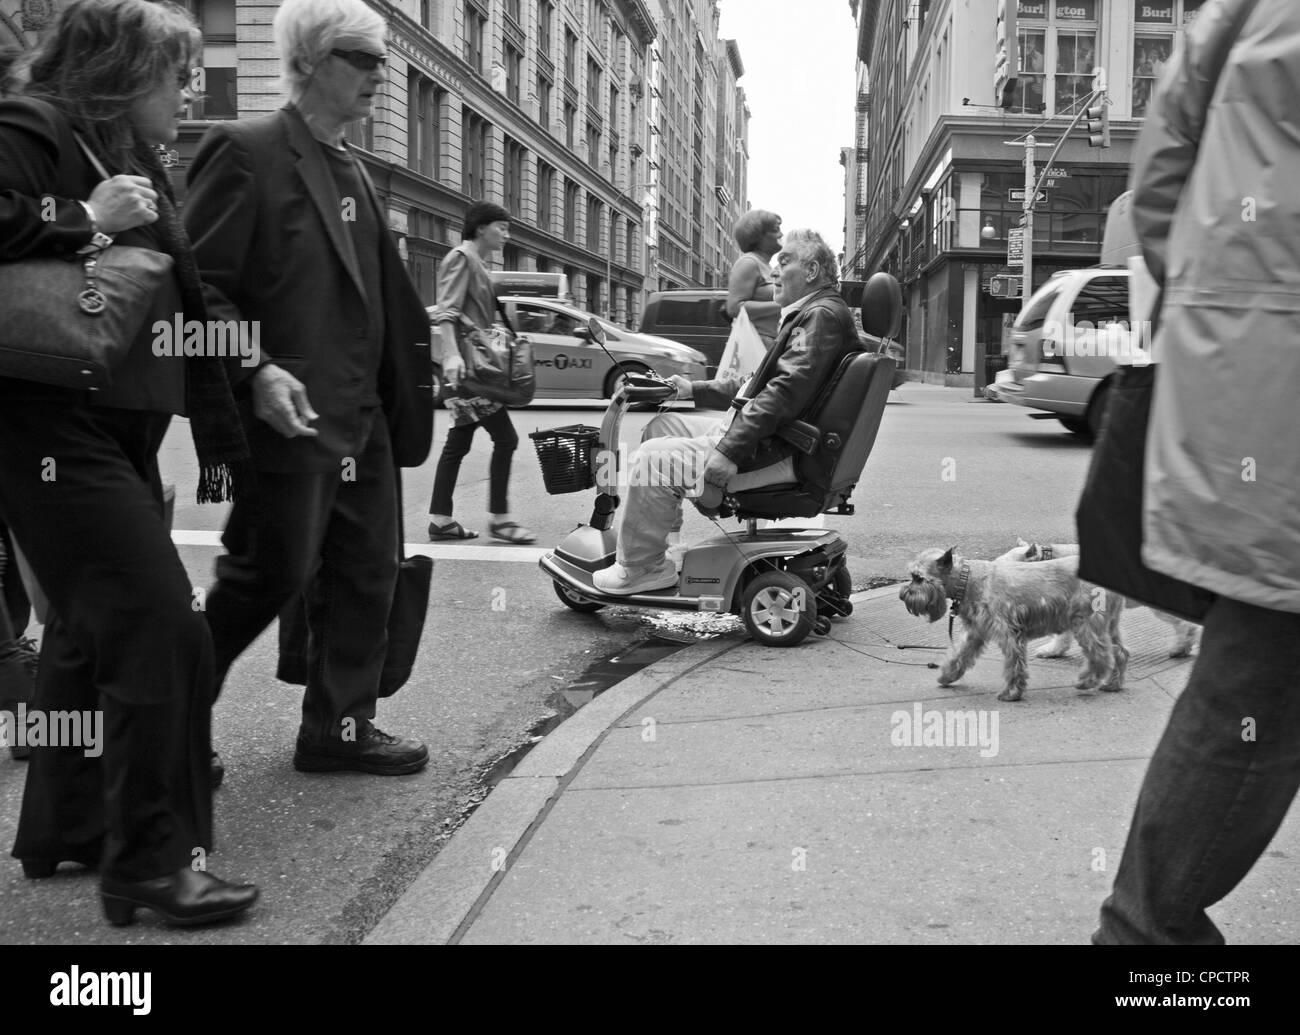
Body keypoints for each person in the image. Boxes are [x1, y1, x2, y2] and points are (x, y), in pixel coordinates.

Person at [0, 0, 257, 926]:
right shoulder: (37, 126)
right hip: (45, 425)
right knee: (162, 626)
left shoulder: (136, 158)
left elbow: (179, 292)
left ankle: (66, 825)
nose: (188, 90)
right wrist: (81, 216)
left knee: (85, 630)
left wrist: (254, 370)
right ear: (117, 71)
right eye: (172, 71)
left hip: (113, 431)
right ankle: (152, 861)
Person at [1093, 0, 1300, 945]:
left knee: (1256, 671)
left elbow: (1160, 181)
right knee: (1262, 674)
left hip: (1252, 382)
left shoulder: (1239, 14)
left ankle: (1147, 940)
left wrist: (1230, 313)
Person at [184, 0, 433, 776]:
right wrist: (254, 370)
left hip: (364, 420)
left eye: (379, 59)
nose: (379, 74)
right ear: (312, 62)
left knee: (366, 575)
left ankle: (339, 726)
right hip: (288, 422)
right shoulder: (246, 150)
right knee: (266, 575)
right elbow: (196, 291)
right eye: (361, 58)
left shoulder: (355, 164)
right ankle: (167, 721)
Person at [592, 229, 859, 595]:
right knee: (661, 424)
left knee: (651, 460)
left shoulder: (820, 318)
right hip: (772, 437)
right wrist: (691, 389)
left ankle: (642, 568)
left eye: (785, 262)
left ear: (811, 270)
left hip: (775, 450)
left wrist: (728, 450)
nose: (774, 273)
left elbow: (782, 393)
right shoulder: (815, 314)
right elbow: (757, 384)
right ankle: (666, 547)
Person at [427, 201, 537, 545]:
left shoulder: (476, 263)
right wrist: (450, 356)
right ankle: (500, 520)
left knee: (457, 442)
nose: (506, 235)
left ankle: (441, 520)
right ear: (480, 228)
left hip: (470, 368)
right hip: (467, 371)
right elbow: (447, 310)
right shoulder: (461, 258)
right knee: (506, 439)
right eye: (500, 228)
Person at [724, 208, 782, 323]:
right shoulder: (748, 263)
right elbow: (734, 308)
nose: (781, 234)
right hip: (754, 339)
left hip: (767, 339)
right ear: (758, 236)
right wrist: (782, 304)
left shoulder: (765, 265)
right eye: (775, 230)